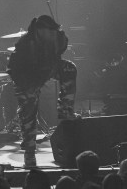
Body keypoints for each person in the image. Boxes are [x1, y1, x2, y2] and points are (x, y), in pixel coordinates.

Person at [7, 14, 77, 167]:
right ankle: (29, 153)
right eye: (49, 31)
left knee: (69, 69)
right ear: (40, 30)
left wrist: (61, 36)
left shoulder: (53, 39)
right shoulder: (26, 44)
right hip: (25, 78)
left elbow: (61, 49)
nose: (52, 33)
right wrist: (29, 88)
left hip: (46, 69)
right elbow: (16, 69)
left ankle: (65, 110)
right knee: (28, 113)